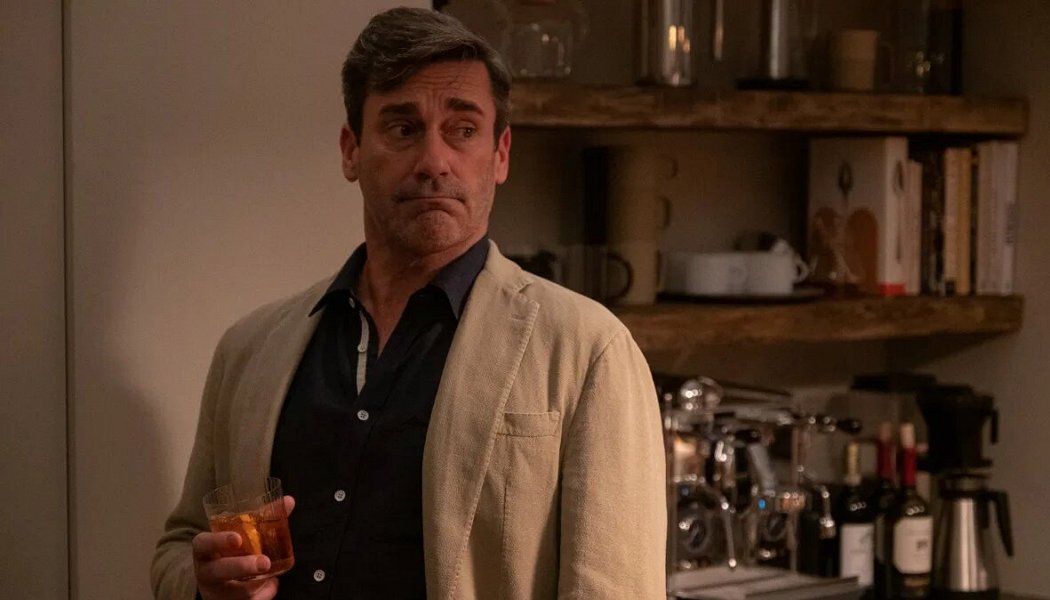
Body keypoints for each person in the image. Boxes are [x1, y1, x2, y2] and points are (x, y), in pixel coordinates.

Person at [151, 7, 666, 600]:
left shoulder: (588, 350)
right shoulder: (248, 351)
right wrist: (204, 583)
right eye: (402, 128)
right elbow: (179, 546)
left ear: (500, 154)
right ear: (351, 150)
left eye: (463, 130)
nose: (433, 162)